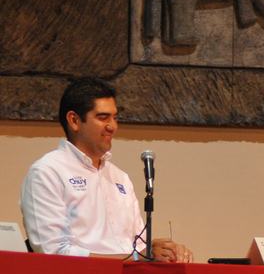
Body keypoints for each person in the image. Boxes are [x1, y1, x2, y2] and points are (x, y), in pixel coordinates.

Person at [20, 77, 193, 262]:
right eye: (103, 118)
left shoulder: (120, 177)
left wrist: (160, 251)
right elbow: (53, 252)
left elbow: (138, 250)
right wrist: (137, 258)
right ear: (74, 120)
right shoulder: (47, 172)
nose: (113, 127)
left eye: (114, 117)